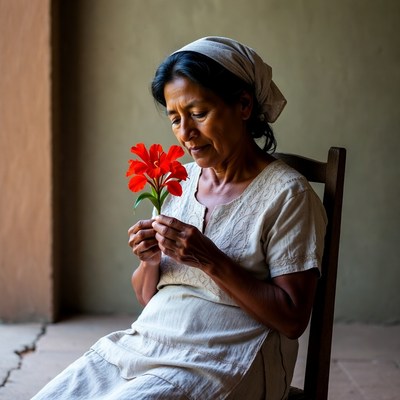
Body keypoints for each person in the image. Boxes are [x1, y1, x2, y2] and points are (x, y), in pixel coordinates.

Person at [32, 36, 327, 400]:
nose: (185, 134)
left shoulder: (287, 195)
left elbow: (293, 319)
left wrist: (210, 259)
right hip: (149, 345)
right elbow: (147, 297)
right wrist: (150, 260)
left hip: (226, 359)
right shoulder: (177, 180)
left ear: (244, 104)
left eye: (198, 114)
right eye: (175, 119)